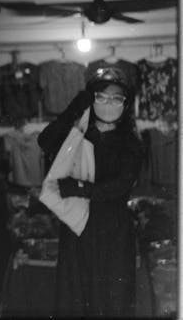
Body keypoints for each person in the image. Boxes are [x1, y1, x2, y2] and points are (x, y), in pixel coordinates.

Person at [37, 66, 144, 317]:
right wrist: (74, 107)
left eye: (117, 98)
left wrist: (78, 188)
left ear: (126, 104)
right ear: (92, 98)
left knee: (110, 300)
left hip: (113, 232)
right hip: (78, 228)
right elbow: (45, 141)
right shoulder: (80, 132)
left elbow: (120, 187)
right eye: (101, 97)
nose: (109, 103)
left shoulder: (130, 142)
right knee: (74, 297)